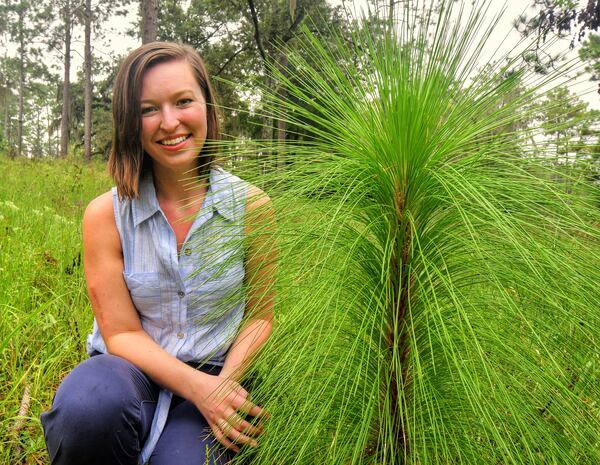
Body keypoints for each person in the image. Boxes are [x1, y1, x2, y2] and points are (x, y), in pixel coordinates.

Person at [40, 42, 275, 465]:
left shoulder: (252, 208)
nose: (170, 123)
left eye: (183, 101)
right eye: (149, 109)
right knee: (87, 411)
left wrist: (220, 387)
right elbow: (122, 333)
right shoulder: (105, 215)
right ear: (130, 121)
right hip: (127, 374)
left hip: (218, 371)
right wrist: (195, 387)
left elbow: (260, 316)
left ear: (206, 105)